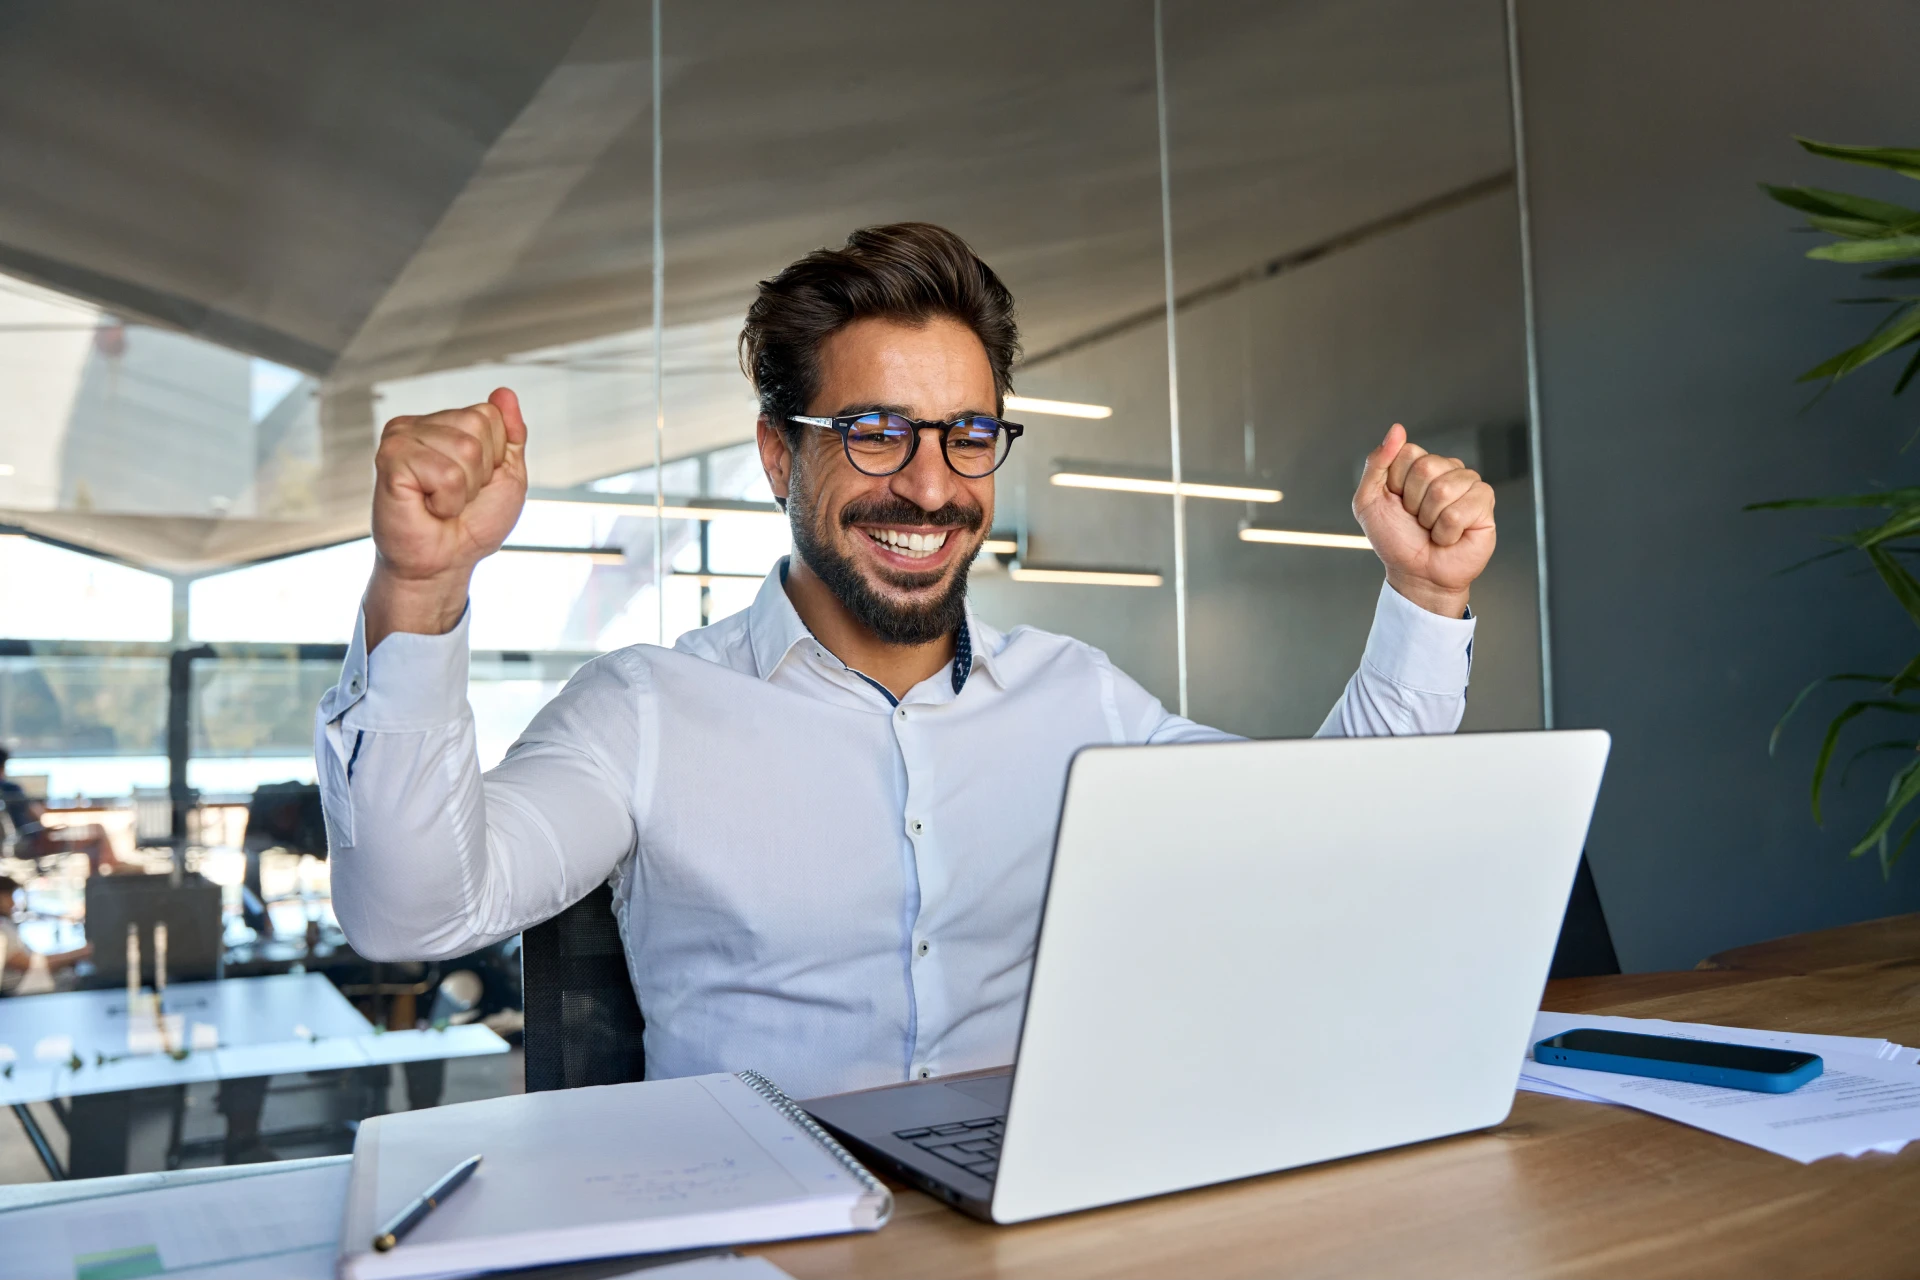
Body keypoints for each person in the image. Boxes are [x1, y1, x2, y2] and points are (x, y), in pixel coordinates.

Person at [316, 223, 1496, 1099]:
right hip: (760, 1235)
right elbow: (413, 911)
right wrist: (420, 592)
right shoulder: (648, 711)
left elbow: (1335, 838)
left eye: (968, 436)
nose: (930, 486)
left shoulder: (1078, 697)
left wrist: (1424, 598)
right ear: (781, 458)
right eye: (876, 432)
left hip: (1033, 1225)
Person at [0, 746, 117, 874]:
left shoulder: (6, 790)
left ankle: (114, 869)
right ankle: (106, 877)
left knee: (96, 828)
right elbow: (38, 815)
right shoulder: (10, 789)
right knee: (96, 834)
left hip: (15, 843)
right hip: (30, 842)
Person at [0, 875, 92, 995]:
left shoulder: (6, 925)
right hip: (21, 994)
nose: (13, 903)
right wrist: (81, 953)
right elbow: (31, 965)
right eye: (9, 896)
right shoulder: (3, 929)